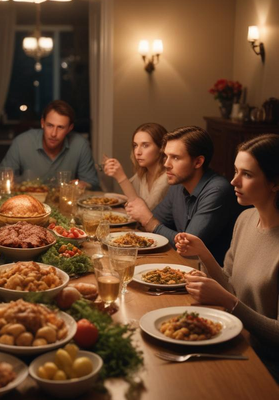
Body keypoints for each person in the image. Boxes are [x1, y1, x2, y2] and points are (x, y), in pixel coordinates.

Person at [175, 134, 279, 381]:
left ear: (275, 182)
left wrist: (229, 302)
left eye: (247, 174)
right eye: (235, 171)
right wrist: (203, 253)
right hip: (233, 341)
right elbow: (230, 283)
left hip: (266, 365)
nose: (233, 181)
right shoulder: (244, 219)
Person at [125, 126, 240, 264]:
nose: (166, 164)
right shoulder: (179, 186)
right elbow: (155, 223)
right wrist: (145, 219)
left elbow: (188, 245)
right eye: (166, 157)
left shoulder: (217, 190)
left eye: (175, 158)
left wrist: (148, 221)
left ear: (198, 162)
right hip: (183, 265)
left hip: (209, 276)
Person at [0, 101, 100, 189]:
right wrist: (10, 180)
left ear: (69, 128)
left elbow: (93, 183)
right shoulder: (22, 142)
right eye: (50, 125)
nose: (53, 134)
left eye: (60, 127)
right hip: (28, 204)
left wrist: (82, 185)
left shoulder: (80, 145)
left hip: (64, 205)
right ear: (42, 123)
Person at [103, 122, 169, 210]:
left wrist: (121, 177)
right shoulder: (143, 174)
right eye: (135, 145)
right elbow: (130, 196)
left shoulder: (167, 178)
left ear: (161, 148)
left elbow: (144, 212)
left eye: (145, 145)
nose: (138, 152)